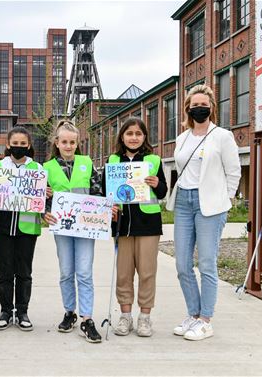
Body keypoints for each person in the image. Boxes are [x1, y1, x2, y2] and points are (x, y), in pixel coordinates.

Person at [166, 84, 241, 341]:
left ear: (211, 108)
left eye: (204, 105)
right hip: (184, 202)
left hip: (210, 204)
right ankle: (193, 313)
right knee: (182, 263)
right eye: (195, 105)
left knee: (207, 263)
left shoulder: (222, 136)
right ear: (188, 109)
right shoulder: (182, 137)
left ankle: (206, 319)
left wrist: (226, 199)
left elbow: (234, 172)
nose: (200, 108)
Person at [105, 117, 167, 337]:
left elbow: (163, 192)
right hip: (122, 226)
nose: (133, 138)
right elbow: (106, 193)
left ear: (144, 137)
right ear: (122, 136)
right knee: (123, 274)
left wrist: (156, 184)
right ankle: (125, 316)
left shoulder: (153, 160)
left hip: (148, 225)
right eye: (129, 133)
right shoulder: (112, 161)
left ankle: (145, 318)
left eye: (138, 134)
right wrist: (108, 209)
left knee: (147, 273)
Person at [0, 126, 42, 331]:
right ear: (7, 144)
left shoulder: (37, 170)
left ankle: (22, 311)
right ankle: (5, 310)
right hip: (3, 227)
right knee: (4, 271)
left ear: (29, 145)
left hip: (27, 229)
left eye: (23, 144)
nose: (19, 147)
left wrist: (45, 193)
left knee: (24, 271)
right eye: (15, 143)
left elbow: (42, 198)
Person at [43, 120, 104, 343]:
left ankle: (87, 318)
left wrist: (102, 212)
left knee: (85, 272)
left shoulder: (87, 163)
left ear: (78, 143)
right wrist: (45, 213)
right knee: (66, 271)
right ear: (56, 143)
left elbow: (97, 191)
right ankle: (70, 312)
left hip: (86, 226)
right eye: (64, 142)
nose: (68, 146)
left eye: (72, 142)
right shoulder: (47, 168)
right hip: (62, 226)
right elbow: (41, 199)